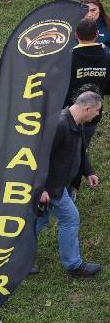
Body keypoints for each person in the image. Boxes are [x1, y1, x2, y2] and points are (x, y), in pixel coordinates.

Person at [33, 91, 102, 277]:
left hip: (60, 185)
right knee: (70, 218)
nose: (97, 115)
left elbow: (81, 150)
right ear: (87, 108)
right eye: (96, 111)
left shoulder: (77, 123)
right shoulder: (60, 125)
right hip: (52, 187)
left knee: (39, 220)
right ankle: (74, 266)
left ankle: (17, 257)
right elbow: (39, 158)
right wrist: (40, 188)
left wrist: (89, 172)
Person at [67, 18, 110, 137]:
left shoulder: (67, 59)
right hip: (93, 113)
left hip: (69, 114)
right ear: (96, 34)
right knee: (83, 145)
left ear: (76, 35)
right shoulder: (107, 58)